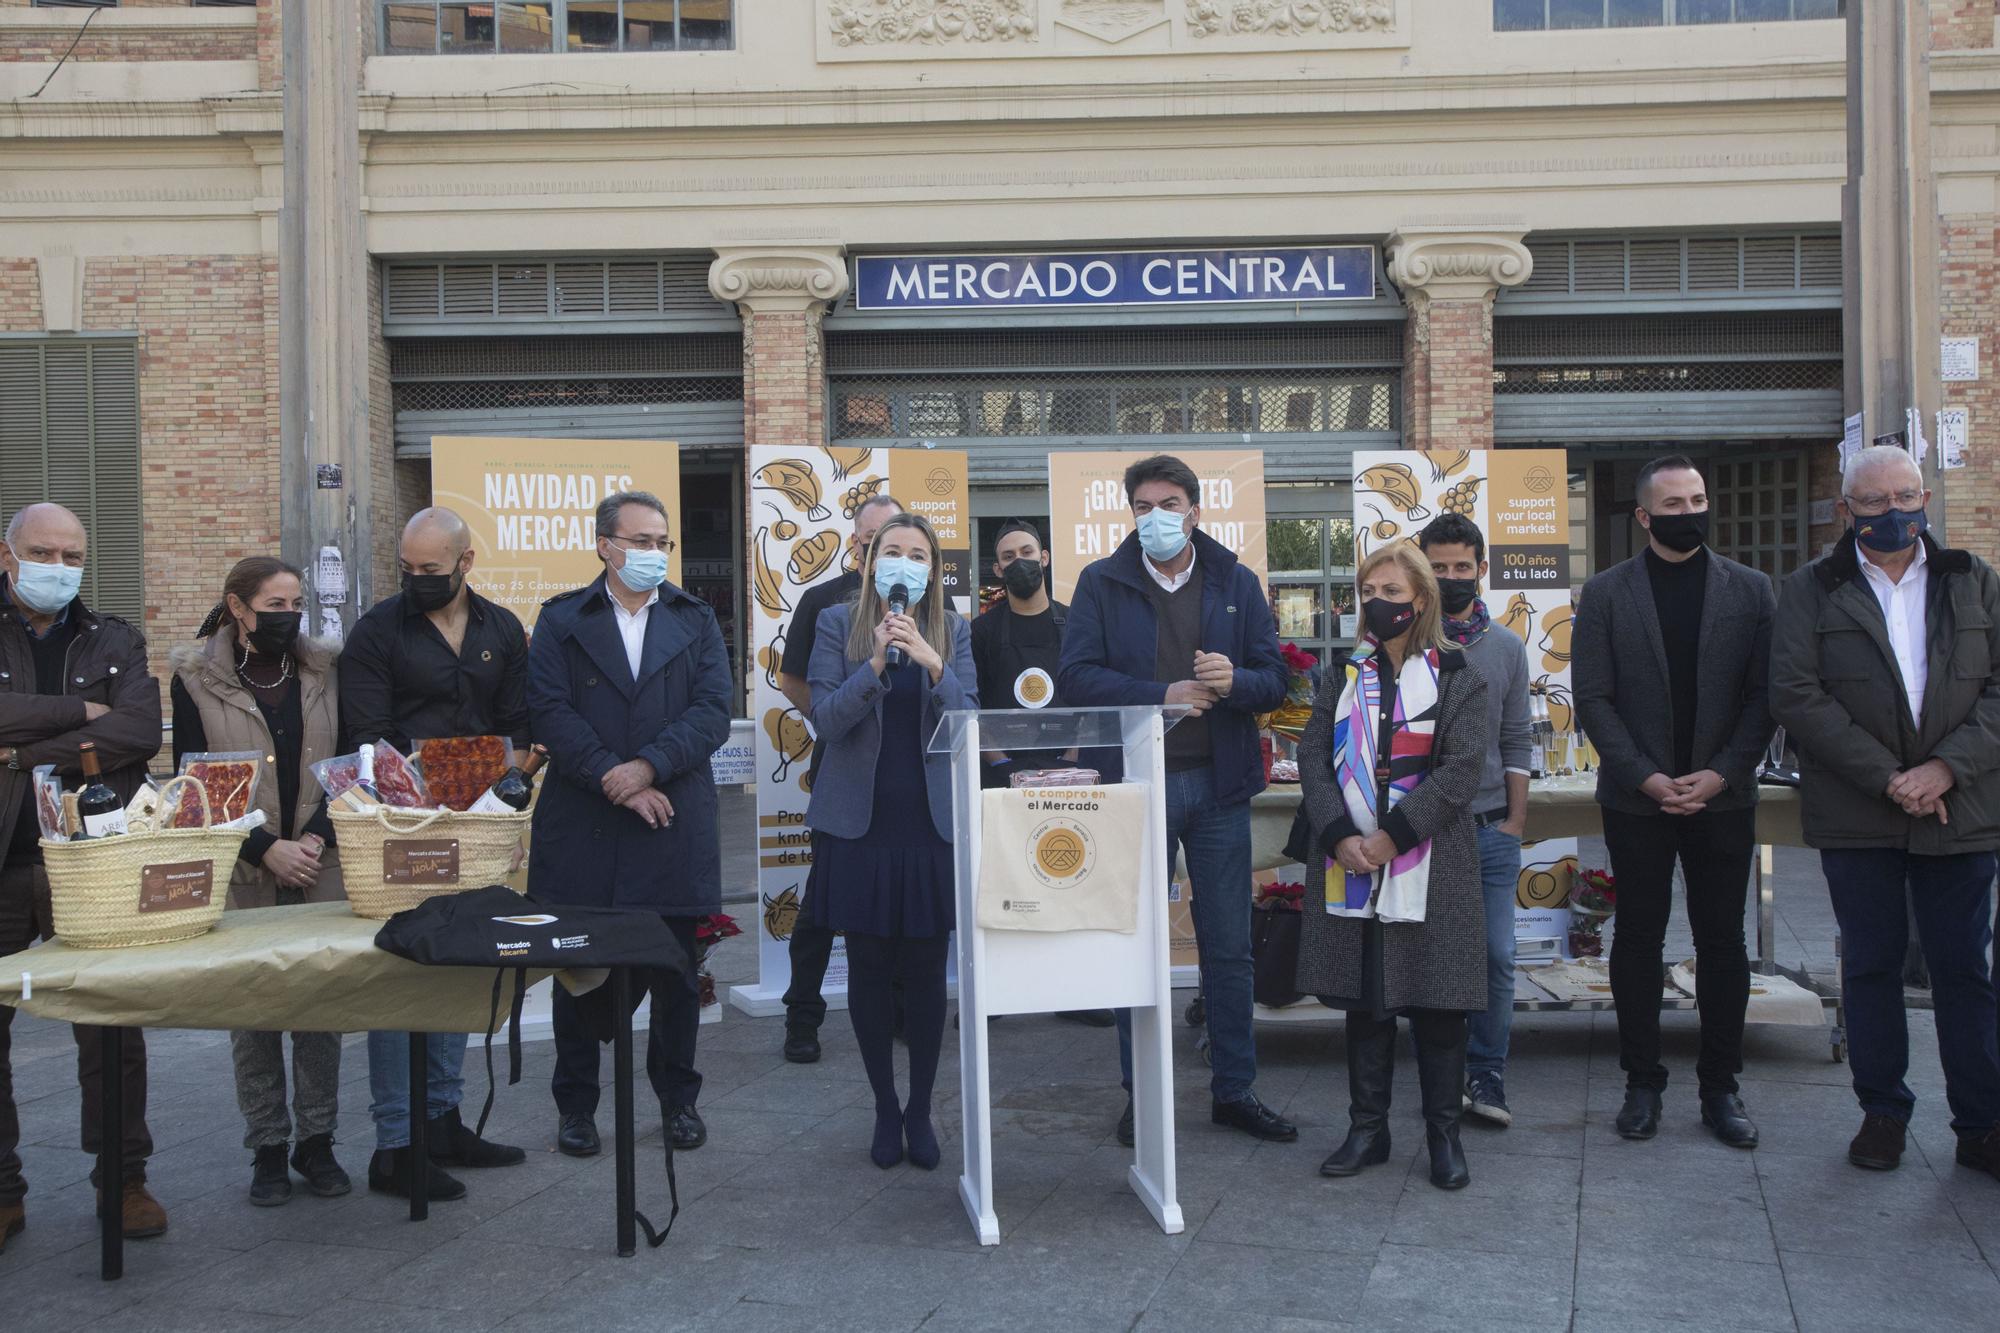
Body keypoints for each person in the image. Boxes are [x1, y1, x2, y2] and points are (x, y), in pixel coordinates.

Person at [1770, 444, 2000, 1179]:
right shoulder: (1812, 588)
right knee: (1869, 966)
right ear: (1846, 510)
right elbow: (1797, 694)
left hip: (1958, 811)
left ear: (1926, 497)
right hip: (1859, 811)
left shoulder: (1974, 581)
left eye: (1905, 495)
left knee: (1963, 968)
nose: (1893, 512)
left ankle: (1982, 1123)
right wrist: (1890, 776)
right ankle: (1883, 1111)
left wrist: (1942, 769)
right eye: (1874, 501)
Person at [1057, 453, 1295, 1147]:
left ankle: (1235, 1089)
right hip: (1137, 786)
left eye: (1168, 503)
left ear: (1194, 509)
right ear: (1129, 512)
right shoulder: (1102, 583)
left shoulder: (1235, 581)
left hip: (1219, 787)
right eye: (1142, 505)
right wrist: (1160, 695)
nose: (1155, 516)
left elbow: (1276, 679)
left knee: (1228, 949)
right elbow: (1075, 678)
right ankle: (1143, 1093)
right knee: (1138, 946)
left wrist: (1236, 680)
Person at [1571, 455, 1775, 1149]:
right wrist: (1646, 777)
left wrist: (1719, 773)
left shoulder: (1752, 591)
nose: (1690, 512)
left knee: (1722, 943)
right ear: (1644, 517)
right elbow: (1593, 696)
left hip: (1723, 798)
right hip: (1638, 801)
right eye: (1675, 503)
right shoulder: (1605, 593)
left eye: (1697, 498)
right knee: (1638, 940)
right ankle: (1641, 1083)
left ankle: (1721, 1087)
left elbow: (1763, 698)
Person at [529, 491, 732, 1161]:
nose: (652, 554)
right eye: (639, 540)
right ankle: (577, 1107)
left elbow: (710, 711)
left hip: (671, 815)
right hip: (587, 816)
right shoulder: (562, 619)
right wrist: (614, 778)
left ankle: (680, 1100)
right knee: (581, 971)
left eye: (662, 542)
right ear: (604, 545)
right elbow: (550, 710)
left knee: (676, 974)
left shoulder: (695, 617)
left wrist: (647, 766)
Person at [338, 507, 531, 1201]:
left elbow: (520, 730)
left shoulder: (502, 629)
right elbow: (371, 737)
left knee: (463, 963)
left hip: (481, 829)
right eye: (408, 570)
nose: (419, 580)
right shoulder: (375, 632)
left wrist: (500, 778)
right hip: (401, 830)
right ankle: (396, 1142)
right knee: (403, 969)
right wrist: (447, 775)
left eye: (432, 570)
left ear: (465, 562)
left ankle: (444, 1118)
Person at [1296, 541, 1490, 1189]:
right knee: (1367, 1001)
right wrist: (1340, 833)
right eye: (1368, 592)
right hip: (1351, 861)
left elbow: (1461, 772)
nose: (1376, 604)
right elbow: (1315, 762)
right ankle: (1367, 1130)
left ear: (1422, 601)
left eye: (1391, 593)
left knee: (1439, 1004)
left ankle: (1443, 1136)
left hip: (1432, 867)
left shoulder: (1461, 676)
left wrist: (1391, 837)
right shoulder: (1342, 676)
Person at [0, 503, 166, 1250]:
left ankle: (123, 1181)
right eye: (43, 551)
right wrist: (78, 710)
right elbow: (104, 724)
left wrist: (21, 751)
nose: (58, 567)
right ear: (7, 555)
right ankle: (4, 1191)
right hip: (6, 857)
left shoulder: (115, 637)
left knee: (110, 1031)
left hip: (91, 861)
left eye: (72, 555)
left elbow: (137, 730)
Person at [171, 557, 351, 1207]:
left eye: (296, 602)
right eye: (275, 603)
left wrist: (312, 838)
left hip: (318, 863)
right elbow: (196, 783)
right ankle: (269, 1147)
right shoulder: (194, 679)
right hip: (246, 867)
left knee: (318, 1012)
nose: (290, 615)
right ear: (239, 608)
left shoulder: (327, 669)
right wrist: (265, 846)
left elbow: (350, 763)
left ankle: (318, 1140)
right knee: (254, 1014)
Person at [804, 512, 975, 1169]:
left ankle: (921, 1107)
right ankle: (883, 1105)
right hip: (859, 827)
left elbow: (970, 725)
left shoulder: (954, 631)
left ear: (932, 568)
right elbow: (825, 719)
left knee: (929, 973)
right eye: (893, 551)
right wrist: (876, 660)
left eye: (917, 553)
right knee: (870, 970)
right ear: (871, 560)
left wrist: (935, 666)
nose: (905, 563)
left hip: (931, 827)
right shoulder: (835, 624)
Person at [970, 520, 1115, 1029]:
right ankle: (997, 992)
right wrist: (1000, 765)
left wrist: (1072, 763)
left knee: (1069, 879)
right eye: (1008, 556)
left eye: (1027, 551)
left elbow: (1087, 696)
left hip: (1069, 772)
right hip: (1004, 775)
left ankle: (1073, 991)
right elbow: (974, 704)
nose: (1019, 562)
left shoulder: (1075, 622)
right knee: (1004, 884)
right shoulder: (983, 631)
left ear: (1046, 558)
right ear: (997, 569)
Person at [775, 492, 902, 1064]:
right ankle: (802, 1016)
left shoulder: (924, 607)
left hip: (905, 777)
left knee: (899, 897)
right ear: (855, 543)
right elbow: (792, 679)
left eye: (894, 540)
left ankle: (899, 1010)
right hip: (842, 768)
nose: (883, 551)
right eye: (873, 540)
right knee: (823, 903)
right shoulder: (824, 602)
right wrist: (833, 723)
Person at [1417, 513, 1532, 1128]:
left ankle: (1487, 1074)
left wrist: (1515, 821)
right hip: (1417, 829)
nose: (1452, 578)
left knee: (1496, 954)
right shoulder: (1404, 643)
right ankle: (1436, 1073)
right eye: (1439, 568)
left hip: (1488, 827)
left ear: (1482, 570)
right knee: (1424, 953)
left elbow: (1517, 739)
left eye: (1463, 567)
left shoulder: (1507, 648)